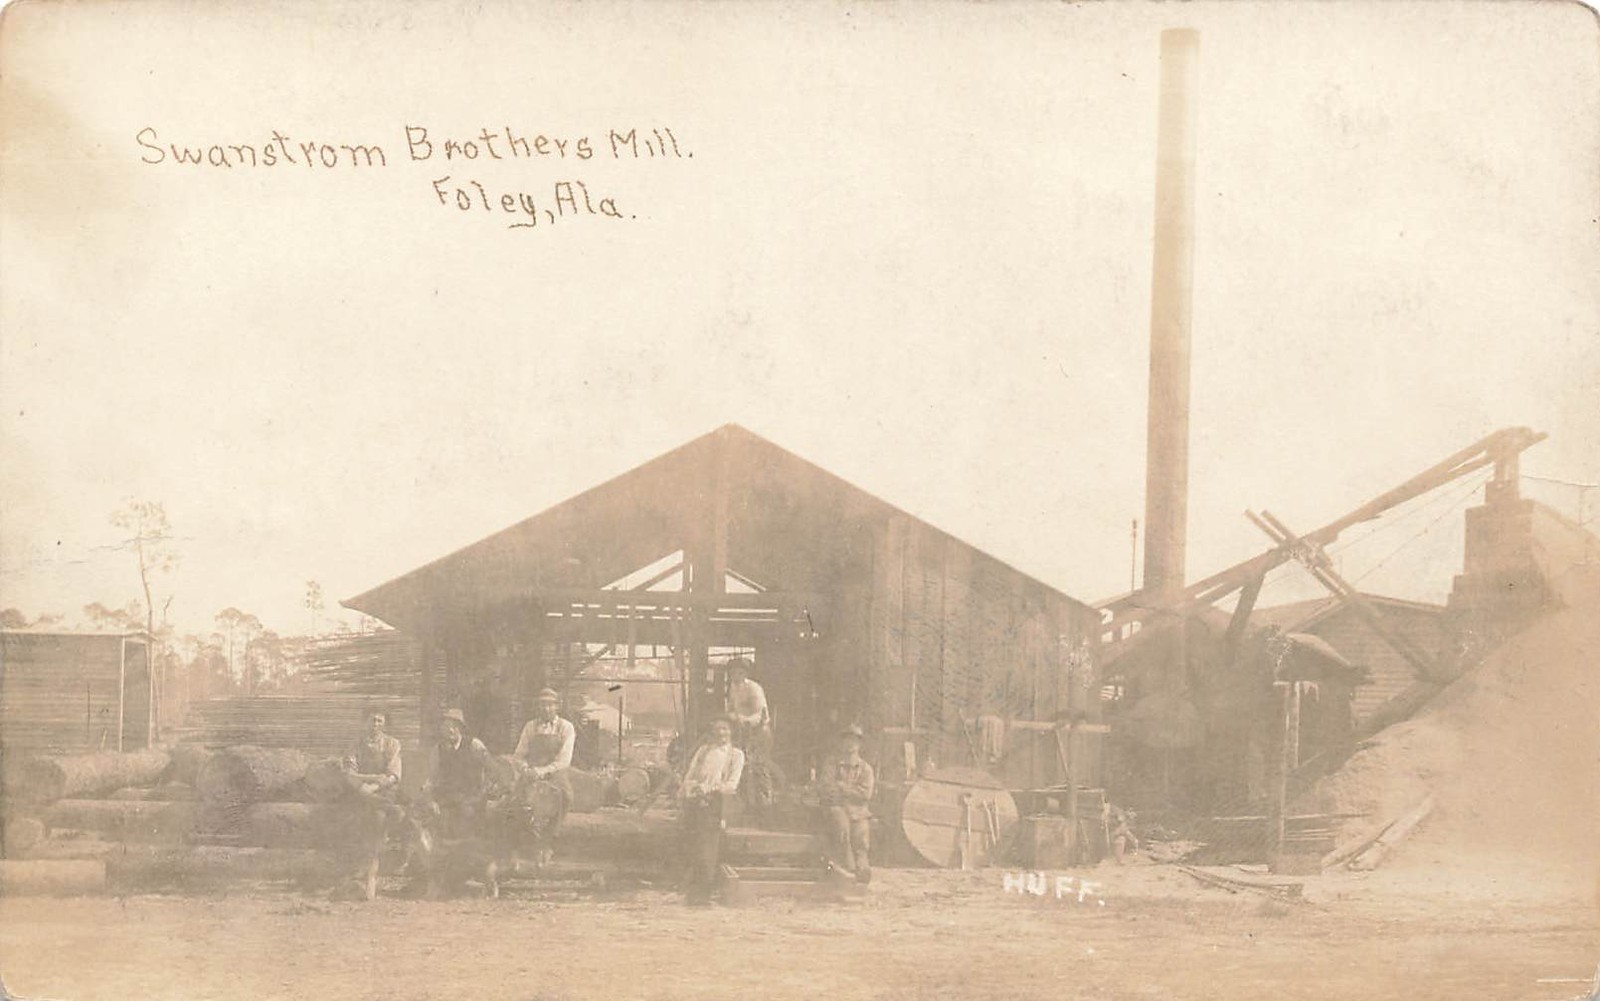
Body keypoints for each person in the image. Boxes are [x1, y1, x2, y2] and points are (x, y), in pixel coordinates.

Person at [679, 715, 745, 906]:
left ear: (731, 732)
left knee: (708, 848)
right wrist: (690, 789)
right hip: (696, 801)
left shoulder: (736, 755)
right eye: (717, 729)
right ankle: (691, 893)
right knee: (693, 845)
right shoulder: (703, 751)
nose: (721, 733)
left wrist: (708, 789)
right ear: (712, 732)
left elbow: (732, 784)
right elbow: (690, 775)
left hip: (718, 803)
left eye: (725, 729)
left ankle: (703, 894)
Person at [817, 724, 875, 884]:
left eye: (854, 741)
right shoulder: (832, 763)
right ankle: (848, 867)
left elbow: (866, 794)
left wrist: (843, 787)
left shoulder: (866, 769)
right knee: (841, 827)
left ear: (860, 745)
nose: (850, 745)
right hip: (836, 807)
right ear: (841, 743)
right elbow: (827, 787)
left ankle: (862, 868)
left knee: (861, 835)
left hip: (859, 811)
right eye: (847, 740)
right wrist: (851, 792)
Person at [512, 688, 576, 828]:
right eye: (542, 705)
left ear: (557, 706)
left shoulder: (566, 727)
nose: (546, 709)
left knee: (566, 797)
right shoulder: (530, 726)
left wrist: (543, 771)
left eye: (550, 704)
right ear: (538, 707)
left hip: (555, 772)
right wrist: (525, 768)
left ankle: (551, 833)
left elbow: (564, 760)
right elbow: (519, 755)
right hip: (531, 772)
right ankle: (524, 837)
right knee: (516, 799)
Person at [424, 708, 490, 839]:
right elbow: (431, 779)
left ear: (461, 728)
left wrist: (482, 794)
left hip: (471, 798)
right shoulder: (438, 750)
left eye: (454, 726)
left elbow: (491, 769)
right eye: (446, 726)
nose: (450, 730)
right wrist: (430, 800)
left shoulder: (474, 745)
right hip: (447, 798)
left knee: (466, 823)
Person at [724, 659, 771, 754]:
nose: (736, 676)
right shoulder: (732, 687)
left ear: (746, 674)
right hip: (738, 727)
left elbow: (760, 714)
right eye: (733, 673)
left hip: (757, 729)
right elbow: (730, 708)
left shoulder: (754, 688)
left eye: (740, 673)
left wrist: (743, 720)